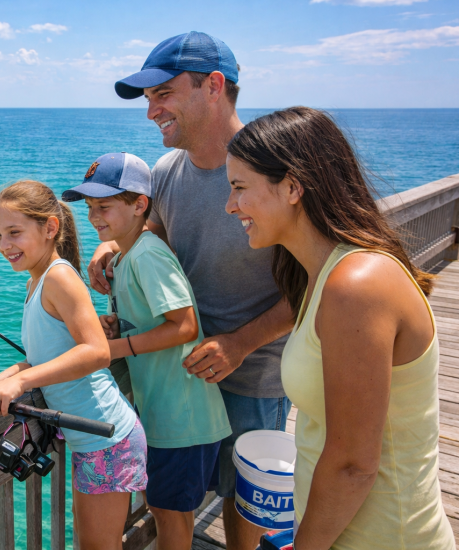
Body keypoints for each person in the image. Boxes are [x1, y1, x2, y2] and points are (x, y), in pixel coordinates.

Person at [90, 31, 294, 549]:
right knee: (176, 498)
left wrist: (240, 342)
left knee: (243, 501)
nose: (151, 111)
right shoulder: (165, 172)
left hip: (254, 372)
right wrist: (110, 246)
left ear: (214, 86)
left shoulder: (275, 170)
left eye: (163, 93)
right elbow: (156, 233)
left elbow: (316, 283)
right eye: (148, 98)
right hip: (182, 377)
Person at [225, 106, 454, 549]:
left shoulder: (356, 285)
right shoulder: (320, 275)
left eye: (239, 187)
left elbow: (353, 465)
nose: (229, 205)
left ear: (292, 186)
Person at [63, 153, 231, 550]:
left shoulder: (147, 254)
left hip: (181, 420)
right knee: (163, 508)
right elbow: (154, 320)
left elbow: (184, 325)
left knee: (170, 517)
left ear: (140, 204)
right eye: (89, 208)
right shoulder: (127, 255)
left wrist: (112, 347)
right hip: (164, 415)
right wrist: (119, 327)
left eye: (104, 206)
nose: (94, 217)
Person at [0, 180, 147, 549]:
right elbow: (41, 359)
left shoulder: (58, 277)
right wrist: (2, 380)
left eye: (14, 232)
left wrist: (21, 383)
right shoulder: (37, 282)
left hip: (107, 437)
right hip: (90, 439)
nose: (4, 245)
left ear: (50, 228)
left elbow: (97, 352)